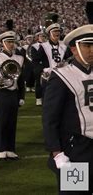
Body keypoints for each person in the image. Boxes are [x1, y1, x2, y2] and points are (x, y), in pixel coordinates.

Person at [42, 23, 93, 194]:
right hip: (75, 149)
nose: (92, 50)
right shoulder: (62, 76)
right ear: (74, 49)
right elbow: (50, 117)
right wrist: (57, 152)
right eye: (87, 45)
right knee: (75, 192)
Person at [0, 29, 25, 160]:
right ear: (2, 43)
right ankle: (1, 149)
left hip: (13, 91)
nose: (11, 44)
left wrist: (21, 96)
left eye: (12, 41)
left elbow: (21, 79)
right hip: (1, 91)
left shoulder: (19, 58)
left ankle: (10, 148)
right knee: (2, 121)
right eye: (8, 41)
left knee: (12, 121)